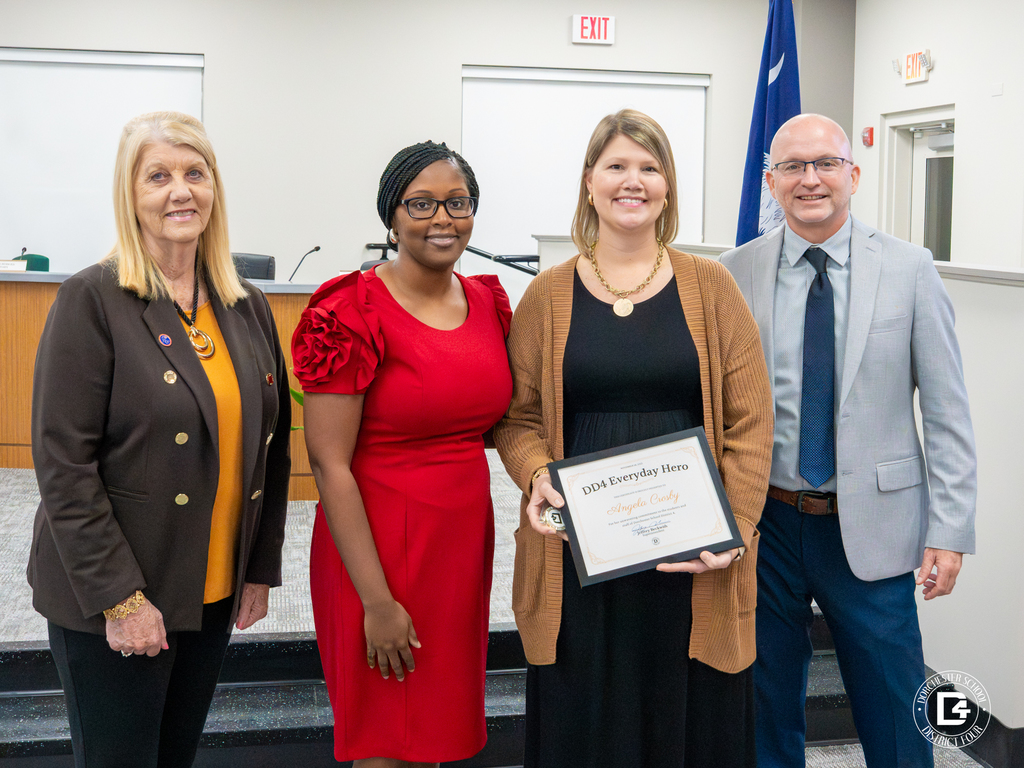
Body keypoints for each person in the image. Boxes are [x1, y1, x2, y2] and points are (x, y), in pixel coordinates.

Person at [494, 109, 774, 767]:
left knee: (691, 726)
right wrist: (537, 475)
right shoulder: (547, 294)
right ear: (589, 182)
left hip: (693, 559)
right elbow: (517, 418)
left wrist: (733, 530)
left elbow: (753, 421)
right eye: (616, 165)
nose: (633, 181)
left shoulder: (713, 287)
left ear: (667, 187)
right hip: (578, 560)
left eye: (649, 168)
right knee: (586, 725)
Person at [28, 110, 292, 767]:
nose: (181, 191)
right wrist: (120, 599)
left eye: (195, 173)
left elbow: (272, 446)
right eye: (158, 176)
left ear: (214, 188)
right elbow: (64, 465)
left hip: (210, 587)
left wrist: (258, 568)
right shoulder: (92, 299)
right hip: (119, 596)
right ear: (130, 194)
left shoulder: (246, 304)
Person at [721, 113, 977, 767]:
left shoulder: (910, 269)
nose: (810, 179)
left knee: (895, 707)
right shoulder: (732, 273)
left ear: (853, 174)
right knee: (764, 704)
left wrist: (950, 529)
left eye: (826, 164)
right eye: (793, 166)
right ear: (771, 182)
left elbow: (947, 412)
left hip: (874, 525)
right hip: (767, 524)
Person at [291, 141, 512, 768]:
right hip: (378, 547)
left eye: (457, 203)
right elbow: (329, 464)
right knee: (386, 742)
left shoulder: (487, 303)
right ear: (391, 215)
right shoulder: (348, 310)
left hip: (459, 546)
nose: (442, 218)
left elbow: (496, 422)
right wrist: (376, 601)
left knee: (434, 732)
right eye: (421, 204)